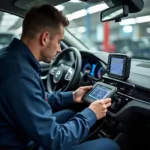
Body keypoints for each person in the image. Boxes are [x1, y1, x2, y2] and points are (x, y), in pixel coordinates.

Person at [0, 4, 120, 150]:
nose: (59, 49)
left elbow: (36, 99)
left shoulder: (12, 57)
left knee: (69, 113)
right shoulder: (19, 75)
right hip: (19, 144)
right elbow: (56, 140)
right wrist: (91, 114)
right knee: (109, 145)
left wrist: (72, 96)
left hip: (19, 132)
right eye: (58, 41)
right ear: (45, 38)